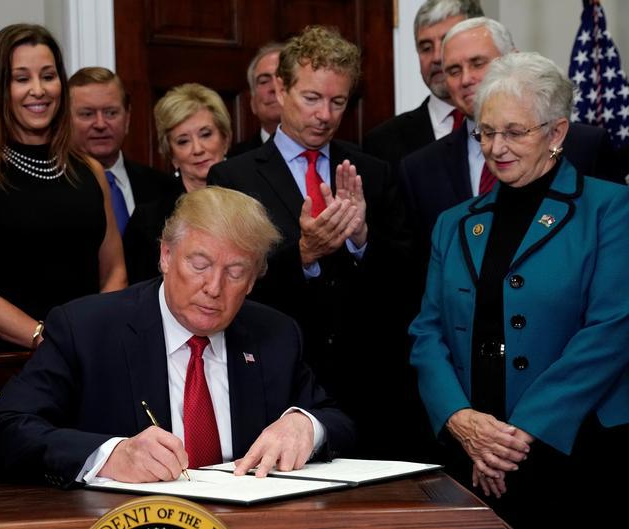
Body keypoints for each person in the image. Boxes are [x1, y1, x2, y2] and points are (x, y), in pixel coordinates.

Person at [0, 186, 356, 486]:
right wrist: (108, 455)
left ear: (255, 278)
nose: (214, 287)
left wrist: (305, 423)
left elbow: (338, 421)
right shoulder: (87, 329)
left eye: (236, 272)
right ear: (166, 256)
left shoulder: (274, 335)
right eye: (199, 264)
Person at [409, 51, 629, 528]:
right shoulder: (455, 223)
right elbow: (427, 334)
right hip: (470, 451)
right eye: (486, 132)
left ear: (557, 133)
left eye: (514, 132)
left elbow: (612, 330)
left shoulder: (611, 208)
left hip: (575, 452)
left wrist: (519, 434)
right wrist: (459, 418)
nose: (496, 147)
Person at [209, 26, 413, 459]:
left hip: (368, 388)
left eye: (337, 102)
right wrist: (303, 254)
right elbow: (228, 283)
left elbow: (408, 279)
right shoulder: (234, 177)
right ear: (281, 89)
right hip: (274, 379)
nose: (325, 115)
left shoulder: (370, 172)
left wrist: (361, 240)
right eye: (312, 98)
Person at [0, 24, 126, 353]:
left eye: (48, 75)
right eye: (22, 78)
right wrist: (50, 339)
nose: (39, 90)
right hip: (7, 366)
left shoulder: (91, 171)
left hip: (90, 355)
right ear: (0, 87)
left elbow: (114, 271)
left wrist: (94, 336)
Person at [399, 17, 619, 265]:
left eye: (478, 63)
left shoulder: (587, 146)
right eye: (453, 70)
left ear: (512, 58)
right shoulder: (418, 168)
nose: (466, 79)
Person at [123, 83, 231, 283]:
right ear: (171, 155)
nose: (197, 149)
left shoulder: (255, 197)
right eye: (183, 141)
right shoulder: (148, 219)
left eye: (206, 134)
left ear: (225, 139)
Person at [362, 0, 483, 172]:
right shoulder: (383, 142)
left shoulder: (514, 125)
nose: (435, 57)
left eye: (447, 43)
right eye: (426, 47)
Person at [69, 67, 178, 234]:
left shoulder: (163, 187)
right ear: (66, 121)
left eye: (111, 113)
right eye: (87, 114)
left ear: (127, 118)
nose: (100, 124)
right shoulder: (56, 187)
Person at [228, 42, 284, 157]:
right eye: (264, 81)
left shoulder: (327, 152)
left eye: (283, 77)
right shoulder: (235, 159)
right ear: (252, 102)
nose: (274, 87)